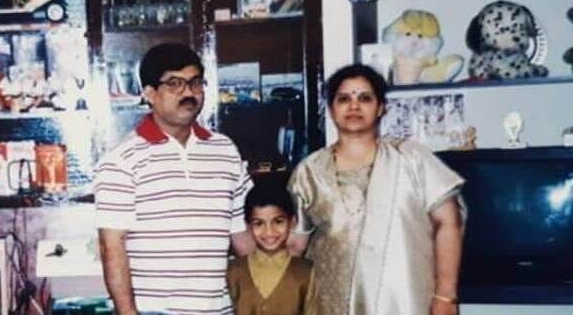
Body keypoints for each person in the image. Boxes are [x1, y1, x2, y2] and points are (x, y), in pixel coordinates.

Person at [287, 63, 465, 315]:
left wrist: (446, 295)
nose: (354, 106)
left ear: (381, 108)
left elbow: (449, 223)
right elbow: (296, 244)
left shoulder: (412, 159)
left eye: (365, 98)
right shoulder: (309, 171)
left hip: (404, 300)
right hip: (330, 302)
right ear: (331, 109)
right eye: (344, 99)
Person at [95, 43, 254, 315]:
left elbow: (241, 235)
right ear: (149, 93)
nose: (189, 93)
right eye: (175, 84)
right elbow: (112, 247)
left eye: (195, 83)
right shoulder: (121, 160)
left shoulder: (225, 150)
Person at [227, 180, 313, 315]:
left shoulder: (308, 273)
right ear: (248, 226)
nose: (269, 232)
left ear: (293, 222)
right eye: (259, 223)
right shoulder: (233, 272)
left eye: (278, 222)